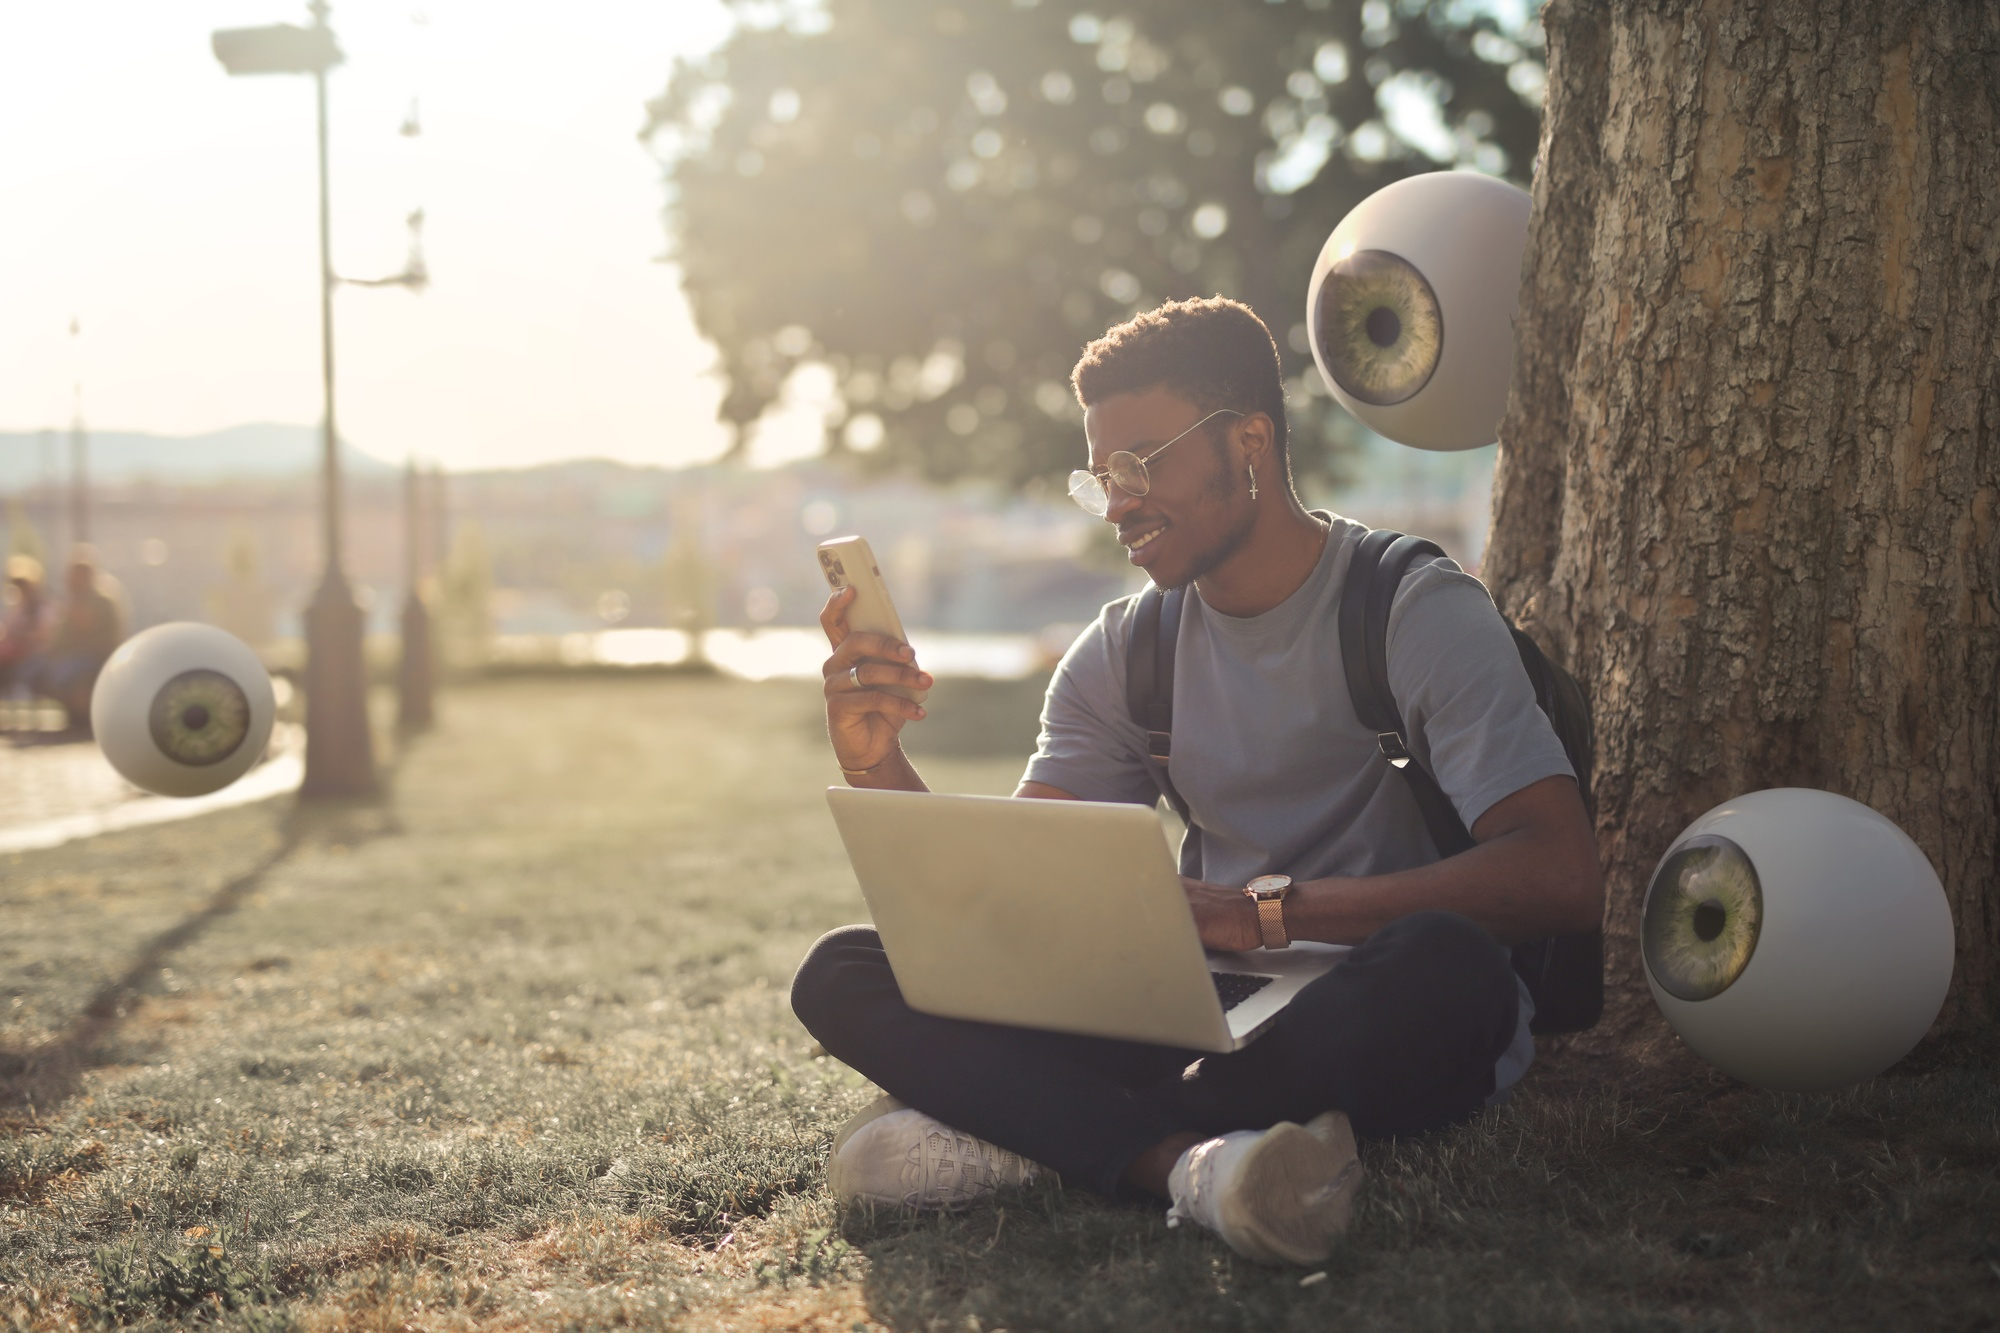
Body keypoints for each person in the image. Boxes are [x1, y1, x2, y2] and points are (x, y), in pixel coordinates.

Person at [792, 297, 1603, 1267]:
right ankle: (1189, 1161)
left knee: (1450, 967)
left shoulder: (1411, 609)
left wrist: (1261, 915)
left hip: (1369, 993)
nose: (1119, 500)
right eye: (1101, 478)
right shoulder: (1124, 650)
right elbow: (1008, 904)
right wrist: (876, 760)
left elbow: (1557, 874)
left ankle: (1025, 1134)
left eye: (1140, 464)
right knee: (842, 969)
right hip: (1193, 1010)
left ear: (1247, 443)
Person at [23, 546, 128, 731]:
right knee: (36, 668)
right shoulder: (72, 600)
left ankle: (83, 716)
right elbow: (60, 636)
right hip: (70, 654)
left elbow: (84, 628)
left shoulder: (99, 600)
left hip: (97, 654)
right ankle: (72, 711)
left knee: (69, 671)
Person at [0, 555, 50, 703]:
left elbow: (44, 636)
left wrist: (22, 638)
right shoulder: (17, 608)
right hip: (13, 654)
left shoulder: (41, 607)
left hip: (34, 655)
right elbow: (7, 631)